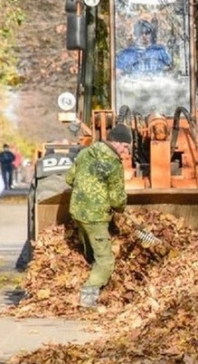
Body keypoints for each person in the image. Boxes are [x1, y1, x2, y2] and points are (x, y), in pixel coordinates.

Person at [65, 124, 131, 308]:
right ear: (116, 142)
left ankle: (88, 270)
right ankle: (88, 296)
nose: (126, 151)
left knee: (90, 249)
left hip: (78, 212)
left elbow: (69, 179)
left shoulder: (85, 153)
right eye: (125, 146)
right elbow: (117, 199)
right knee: (106, 261)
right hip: (96, 217)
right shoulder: (113, 163)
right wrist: (121, 208)